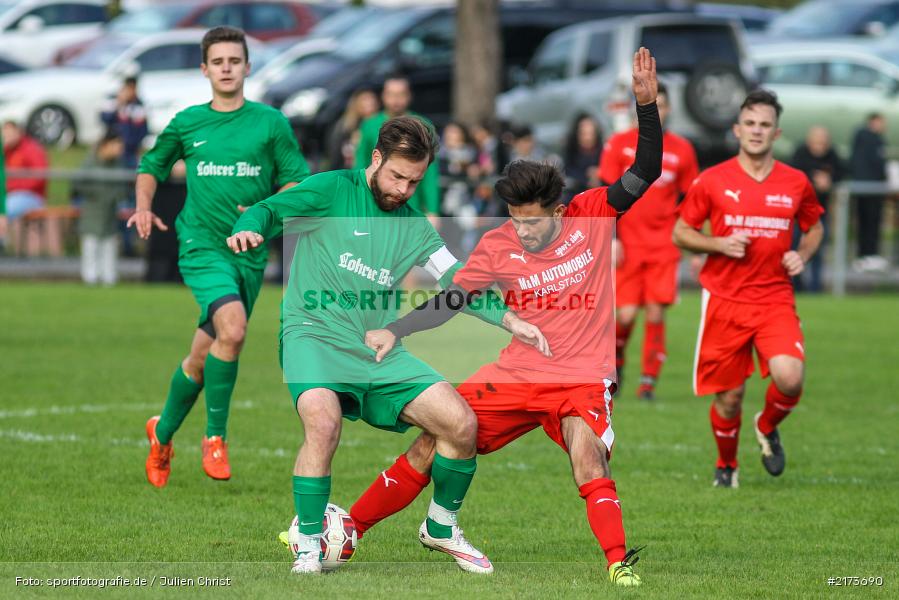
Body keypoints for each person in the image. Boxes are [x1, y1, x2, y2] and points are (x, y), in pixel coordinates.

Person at [345, 48, 661, 587]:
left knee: (588, 457)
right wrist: (395, 329)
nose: (523, 232)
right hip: (518, 371)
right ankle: (347, 530)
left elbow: (645, 170)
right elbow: (451, 302)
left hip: (582, 376)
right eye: (515, 221)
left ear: (559, 212)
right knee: (438, 436)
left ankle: (617, 564)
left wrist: (646, 106)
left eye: (532, 223)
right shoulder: (498, 244)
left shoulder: (591, 212)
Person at [228, 116, 548, 575]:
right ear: (375, 159)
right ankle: (310, 546)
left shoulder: (414, 227)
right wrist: (250, 226)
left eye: (414, 181)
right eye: (396, 176)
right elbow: (271, 209)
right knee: (323, 422)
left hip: (376, 349)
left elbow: (458, 279)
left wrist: (508, 319)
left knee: (460, 424)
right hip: (312, 335)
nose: (402, 189)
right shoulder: (331, 190)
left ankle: (440, 526)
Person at [130, 26, 310, 488]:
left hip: (248, 253)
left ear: (247, 67)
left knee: (203, 355)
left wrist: (266, 212)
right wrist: (144, 206)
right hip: (201, 245)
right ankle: (215, 438)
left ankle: (162, 432)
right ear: (204, 69)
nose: (227, 68)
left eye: (235, 61)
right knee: (234, 329)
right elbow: (151, 165)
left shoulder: (270, 123)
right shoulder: (189, 122)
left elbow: (296, 184)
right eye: (218, 61)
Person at [672, 89, 824, 488]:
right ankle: (727, 467)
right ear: (737, 129)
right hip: (724, 299)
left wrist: (802, 255)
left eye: (765, 125)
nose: (757, 131)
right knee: (729, 396)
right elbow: (681, 232)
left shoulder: (796, 182)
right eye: (751, 124)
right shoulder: (712, 180)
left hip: (775, 298)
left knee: (790, 378)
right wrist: (717, 243)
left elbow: (814, 227)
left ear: (776, 133)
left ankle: (767, 424)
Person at [599, 82, 699, 400]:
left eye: (664, 105)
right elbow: (603, 199)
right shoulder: (618, 144)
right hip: (627, 242)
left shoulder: (682, 149)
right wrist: (611, 238)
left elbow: (690, 200)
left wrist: (695, 243)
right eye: (655, 104)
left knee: (656, 313)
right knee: (625, 315)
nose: (660, 110)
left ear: (669, 110)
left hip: (664, 244)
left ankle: (648, 383)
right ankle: (617, 362)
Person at [354, 75, 440, 216]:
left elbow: (430, 172)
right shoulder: (369, 125)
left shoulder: (423, 125)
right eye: (392, 94)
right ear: (384, 96)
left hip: (411, 204)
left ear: (409, 96)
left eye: (401, 94)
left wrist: (433, 210)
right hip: (376, 201)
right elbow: (360, 164)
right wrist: (358, 196)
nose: (396, 100)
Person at [791, 126, 843, 292]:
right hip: (797, 214)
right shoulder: (800, 154)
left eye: (823, 143)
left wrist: (830, 180)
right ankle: (796, 286)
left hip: (820, 213)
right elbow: (793, 174)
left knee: (818, 250)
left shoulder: (832, 155)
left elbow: (843, 171)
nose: (820, 146)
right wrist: (814, 180)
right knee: (794, 249)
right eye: (817, 142)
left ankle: (815, 288)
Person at [74, 131, 127, 286]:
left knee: (109, 245)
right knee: (91, 244)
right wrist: (97, 195)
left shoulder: (118, 164)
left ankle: (109, 278)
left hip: (110, 213)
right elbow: (78, 185)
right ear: (105, 145)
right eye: (116, 145)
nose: (120, 149)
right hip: (93, 211)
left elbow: (122, 189)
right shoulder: (90, 163)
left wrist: (115, 197)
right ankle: (90, 278)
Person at [2, 121, 56, 257]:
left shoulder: (31, 149)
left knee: (6, 208)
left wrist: (11, 186)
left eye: (10, 132)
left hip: (31, 196)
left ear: (19, 132)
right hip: (10, 195)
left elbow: (39, 177)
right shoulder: (6, 152)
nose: (7, 136)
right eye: (4, 133)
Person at [849, 113, 888, 272]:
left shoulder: (873, 139)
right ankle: (866, 255)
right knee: (868, 221)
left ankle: (869, 255)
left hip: (873, 188)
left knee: (871, 222)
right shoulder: (868, 138)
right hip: (868, 188)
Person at [100, 76, 148, 169]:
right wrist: (119, 103)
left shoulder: (139, 105)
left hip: (130, 149)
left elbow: (143, 130)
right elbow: (105, 119)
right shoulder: (112, 101)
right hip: (111, 144)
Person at [327, 88, 379, 170]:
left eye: (372, 98)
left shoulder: (381, 124)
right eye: (365, 99)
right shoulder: (345, 127)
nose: (370, 102)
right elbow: (335, 156)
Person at [564, 113, 603, 198]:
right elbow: (568, 171)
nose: (588, 138)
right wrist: (586, 179)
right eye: (584, 134)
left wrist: (600, 172)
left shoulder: (604, 150)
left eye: (591, 134)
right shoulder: (571, 152)